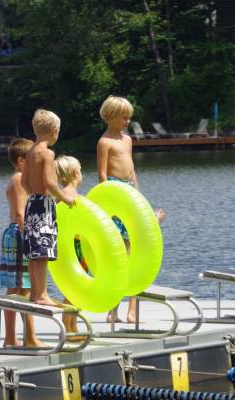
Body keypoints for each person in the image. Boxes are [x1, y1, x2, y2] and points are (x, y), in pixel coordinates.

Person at [97, 96, 165, 323]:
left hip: (130, 193)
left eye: (129, 117)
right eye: (124, 117)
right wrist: (109, 202)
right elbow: (103, 175)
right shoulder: (104, 142)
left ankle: (132, 311)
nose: (128, 121)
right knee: (121, 255)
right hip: (115, 194)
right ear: (111, 117)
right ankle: (113, 311)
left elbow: (132, 169)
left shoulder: (127, 139)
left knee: (134, 254)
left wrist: (138, 196)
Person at [21, 109, 75, 307]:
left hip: (31, 204)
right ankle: (42, 294)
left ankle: (35, 293)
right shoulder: (47, 153)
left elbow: (24, 183)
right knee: (43, 251)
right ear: (54, 131)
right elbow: (51, 183)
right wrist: (65, 198)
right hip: (43, 205)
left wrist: (35, 194)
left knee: (35, 253)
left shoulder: (30, 152)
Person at [1, 139, 45, 348]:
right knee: (25, 287)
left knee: (15, 288)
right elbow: (20, 213)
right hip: (20, 235)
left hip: (15, 235)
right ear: (21, 161)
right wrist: (31, 238)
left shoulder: (19, 179)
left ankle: (11, 338)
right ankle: (30, 338)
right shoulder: (19, 179)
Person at [54, 155, 89, 341]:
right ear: (76, 173)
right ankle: (69, 329)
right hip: (76, 247)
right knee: (76, 289)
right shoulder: (76, 198)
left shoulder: (59, 196)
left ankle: (71, 327)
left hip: (65, 248)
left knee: (70, 289)